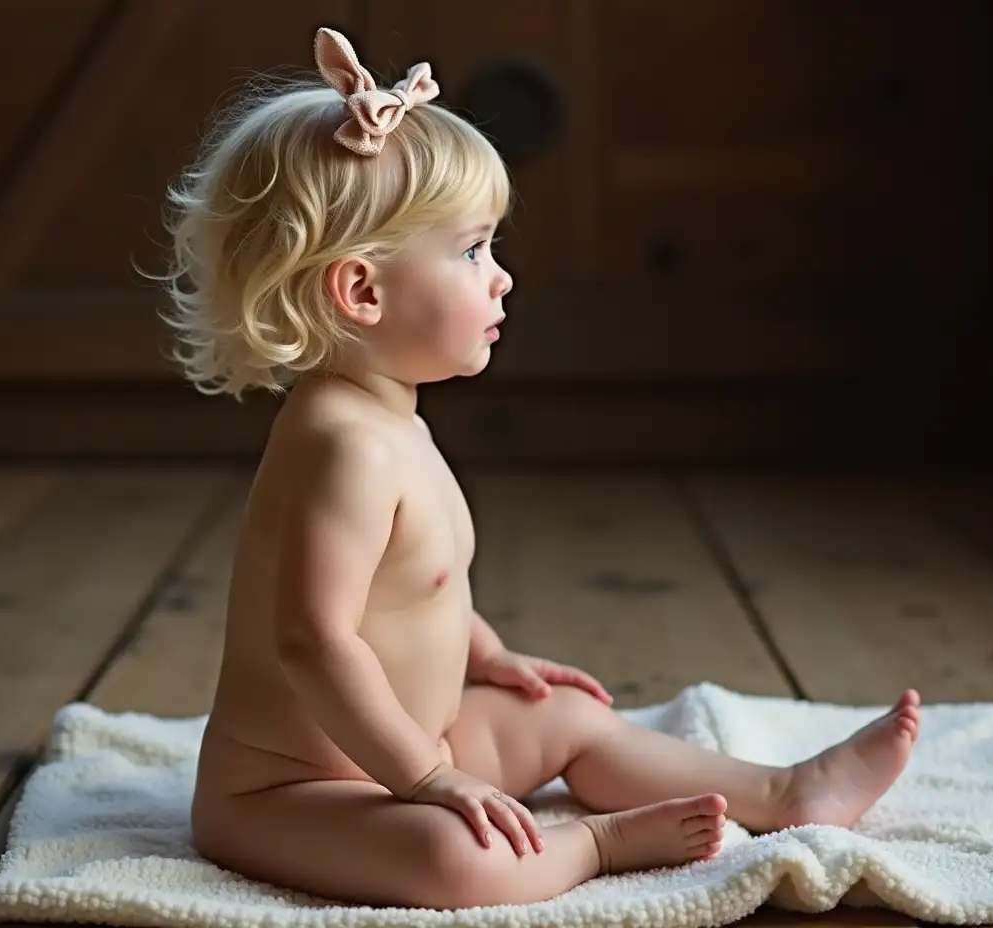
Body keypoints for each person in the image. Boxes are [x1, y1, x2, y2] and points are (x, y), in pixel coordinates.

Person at [157, 27, 922, 910]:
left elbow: (409, 590)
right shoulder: (343, 445)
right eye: (474, 251)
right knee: (457, 861)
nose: (503, 279)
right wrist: (425, 779)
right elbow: (314, 640)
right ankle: (594, 843)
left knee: (565, 717)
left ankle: (787, 792)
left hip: (418, 734)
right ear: (362, 291)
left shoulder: (388, 414)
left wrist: (488, 653)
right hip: (292, 792)